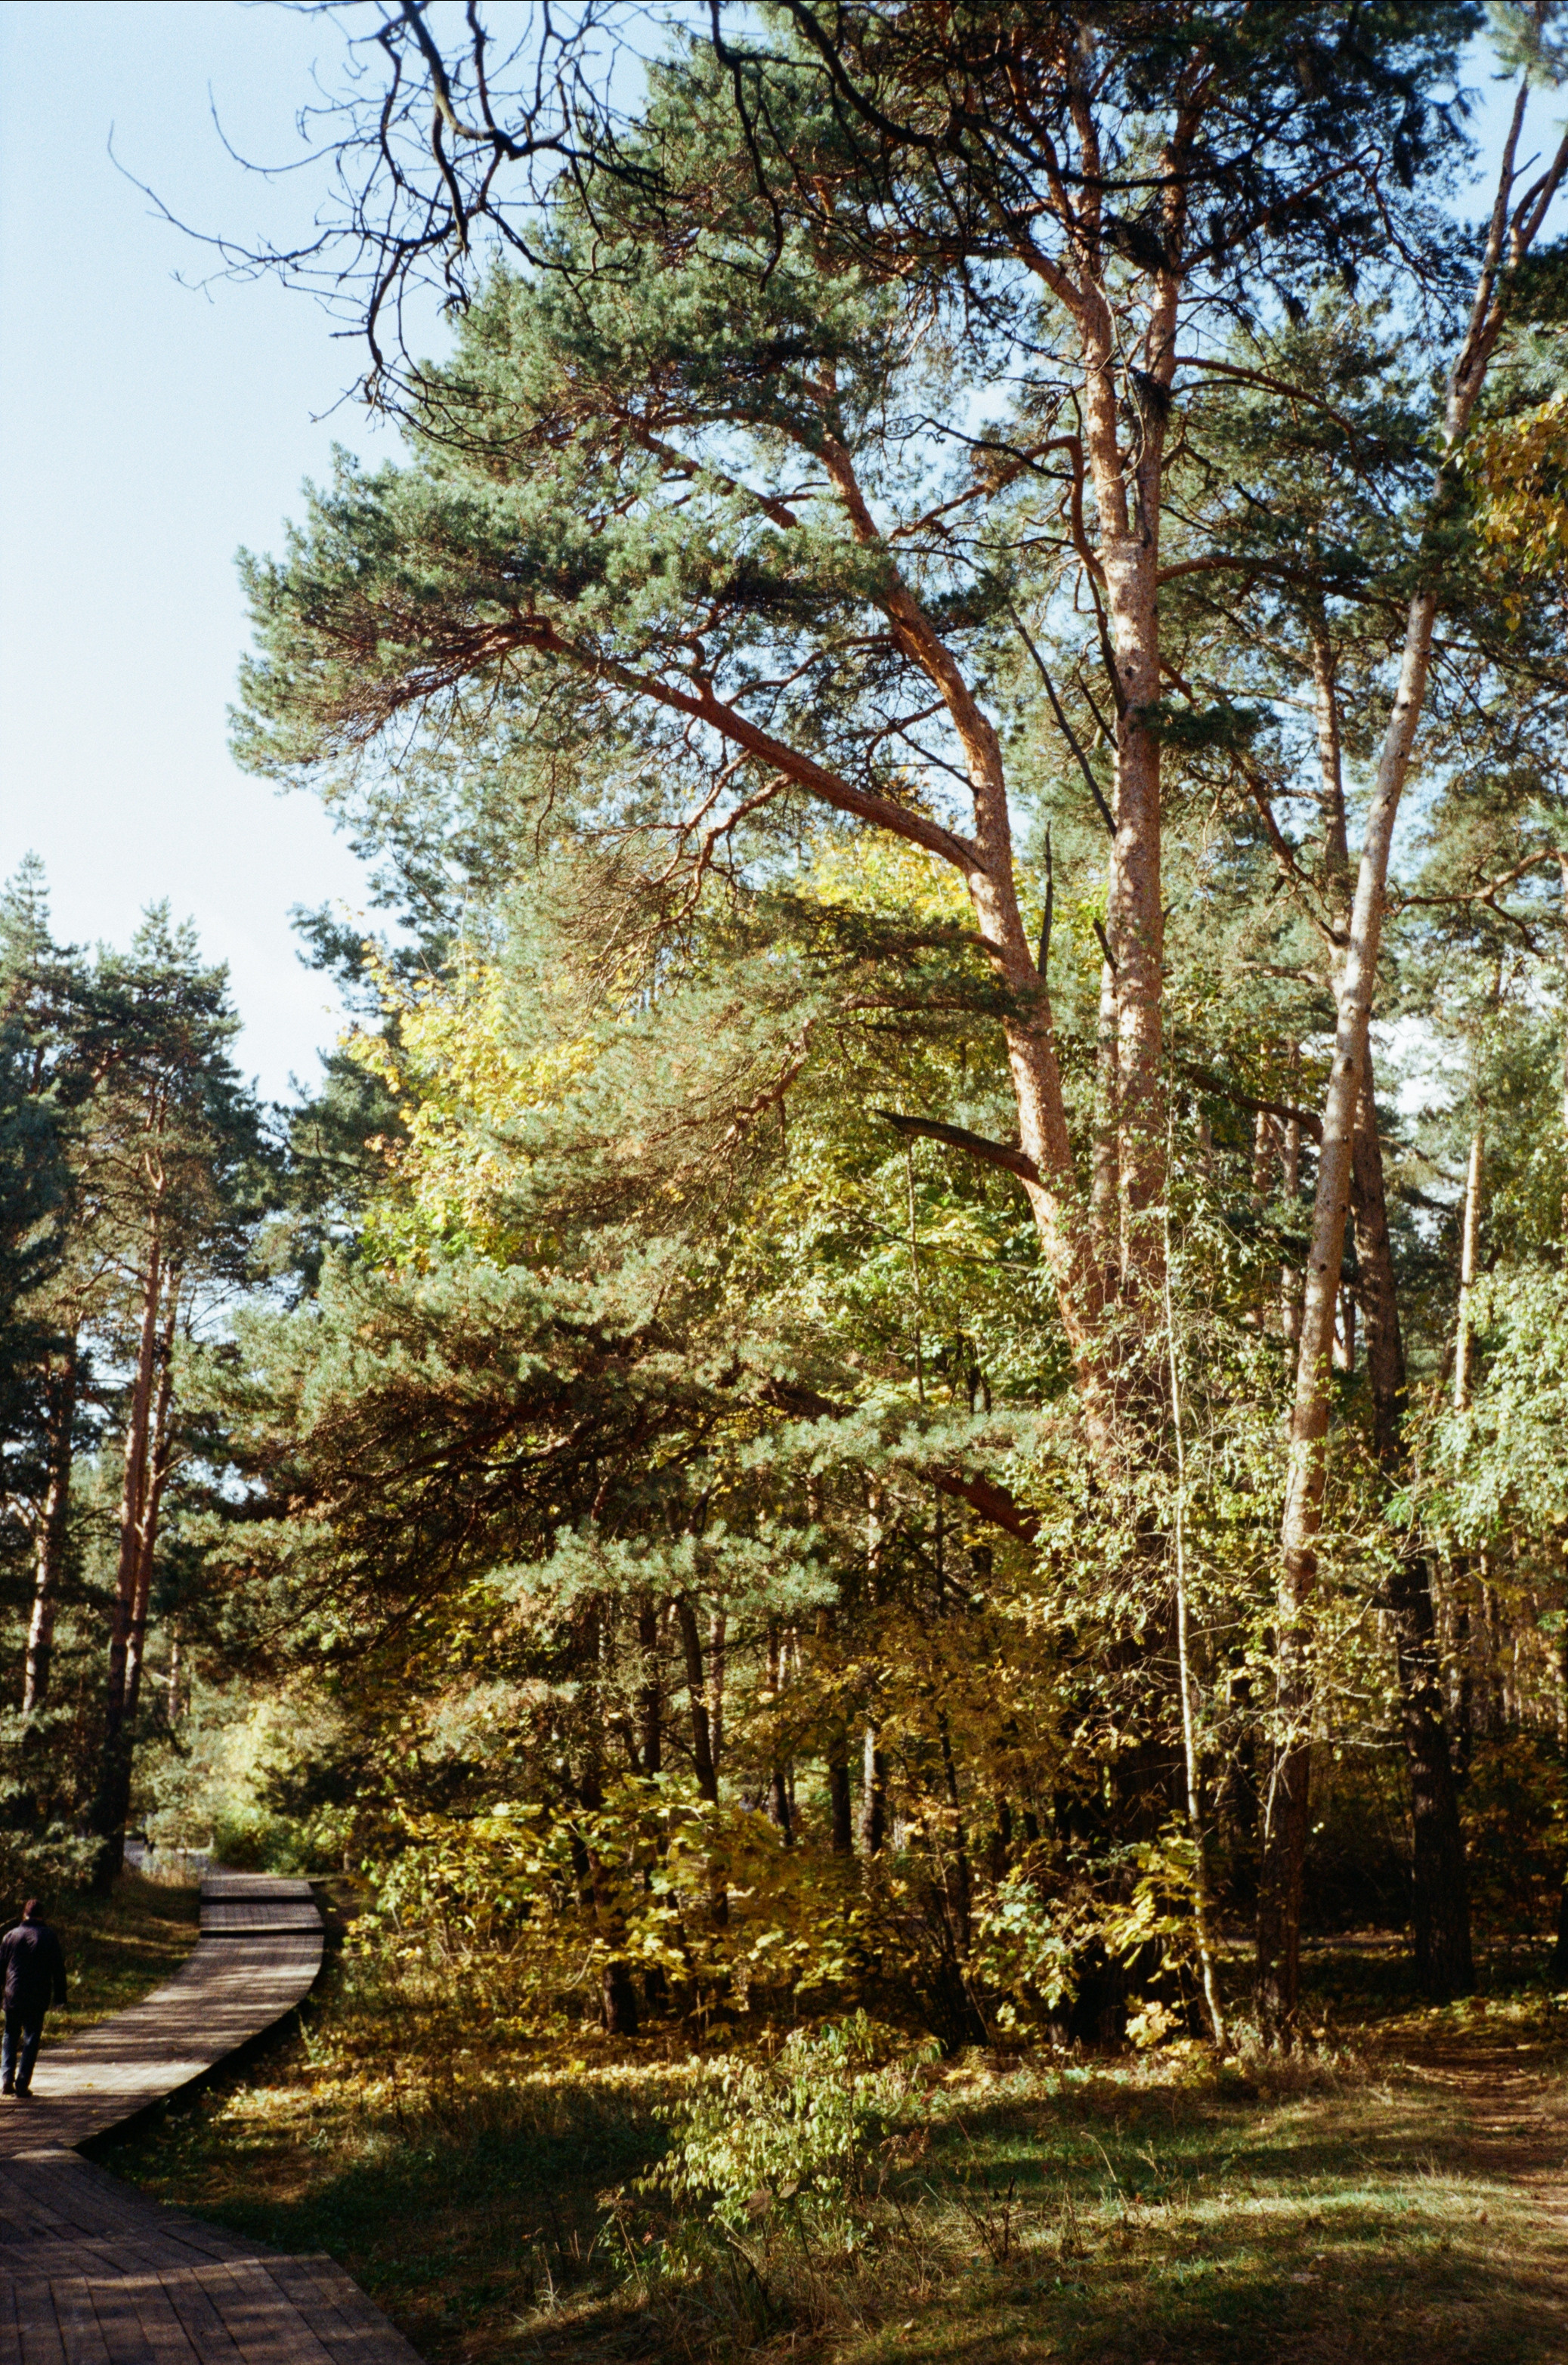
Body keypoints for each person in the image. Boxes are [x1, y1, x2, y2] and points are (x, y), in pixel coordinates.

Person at [0, 1900, 67, 2098]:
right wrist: (60, 1996)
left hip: (14, 1994)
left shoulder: (11, 1936)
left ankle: (6, 2078)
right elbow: (58, 1969)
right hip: (37, 1996)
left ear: (24, 1915)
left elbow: (0, 1966)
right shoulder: (49, 1936)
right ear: (41, 1915)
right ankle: (22, 2083)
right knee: (31, 2037)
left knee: (10, 2034)